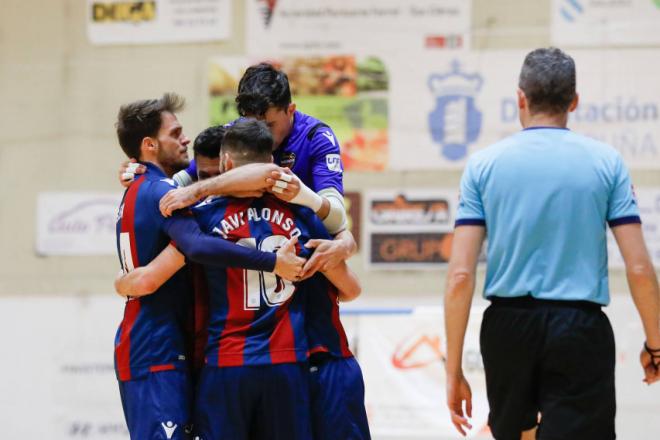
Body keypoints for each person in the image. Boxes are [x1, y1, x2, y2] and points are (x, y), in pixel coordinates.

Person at [444, 47, 660, 440]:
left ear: (520, 99)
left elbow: (460, 275)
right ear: (574, 101)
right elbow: (641, 269)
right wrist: (656, 346)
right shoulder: (606, 162)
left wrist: (453, 370)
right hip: (579, 327)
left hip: (507, 326)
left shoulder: (483, 165)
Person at [116, 120, 363, 439]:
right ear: (272, 163)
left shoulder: (202, 219)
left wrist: (120, 283)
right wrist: (343, 245)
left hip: (225, 363)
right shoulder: (302, 217)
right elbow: (351, 288)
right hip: (286, 363)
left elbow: (149, 278)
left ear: (226, 165)